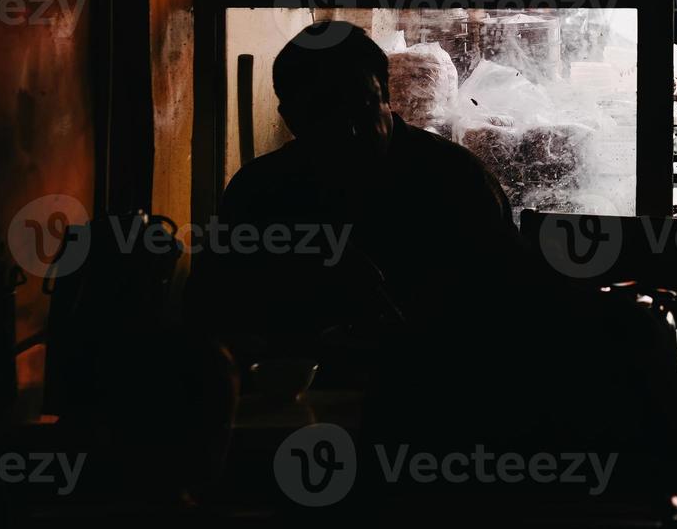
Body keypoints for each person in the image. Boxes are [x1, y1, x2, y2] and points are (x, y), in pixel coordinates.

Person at [186, 22, 526, 371]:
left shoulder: (457, 181)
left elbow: (509, 308)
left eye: (360, 107)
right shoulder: (258, 191)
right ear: (290, 119)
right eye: (321, 114)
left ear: (387, 98)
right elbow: (209, 319)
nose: (347, 129)